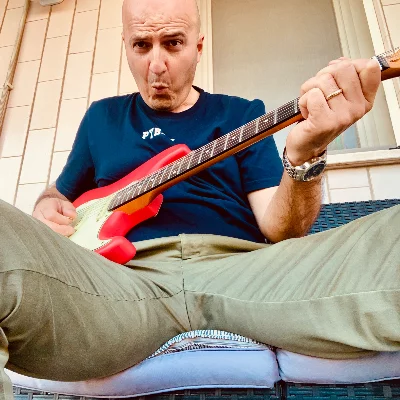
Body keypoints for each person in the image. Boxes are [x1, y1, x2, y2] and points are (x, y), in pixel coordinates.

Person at [1, 0, 399, 399]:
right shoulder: (101, 118)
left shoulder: (243, 114)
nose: (156, 65)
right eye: (142, 45)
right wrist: (46, 206)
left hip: (243, 270)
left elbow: (282, 229)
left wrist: (305, 156)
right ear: (126, 45)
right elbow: (59, 193)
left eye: (173, 43)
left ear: (198, 46)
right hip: (118, 283)